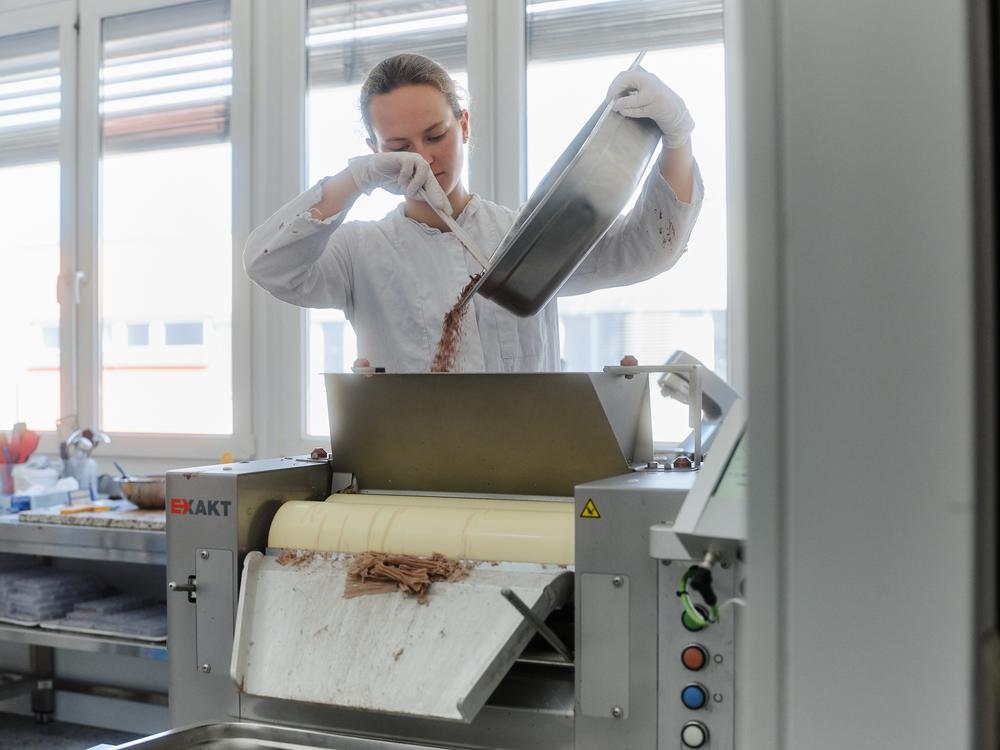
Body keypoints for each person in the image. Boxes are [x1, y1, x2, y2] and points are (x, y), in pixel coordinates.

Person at [244, 53, 703, 373]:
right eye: (399, 148)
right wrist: (354, 180)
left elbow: (647, 249)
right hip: (413, 484)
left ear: (463, 126)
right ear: (374, 153)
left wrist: (676, 136)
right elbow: (269, 265)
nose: (423, 158)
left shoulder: (524, 238)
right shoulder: (358, 252)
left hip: (527, 478)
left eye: (436, 135)